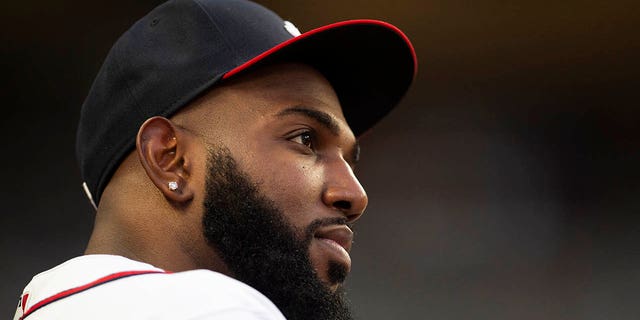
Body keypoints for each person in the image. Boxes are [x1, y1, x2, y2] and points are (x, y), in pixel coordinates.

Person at [13, 0, 416, 319]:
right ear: (170, 159)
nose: (354, 195)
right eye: (305, 139)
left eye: (349, 158)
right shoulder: (215, 309)